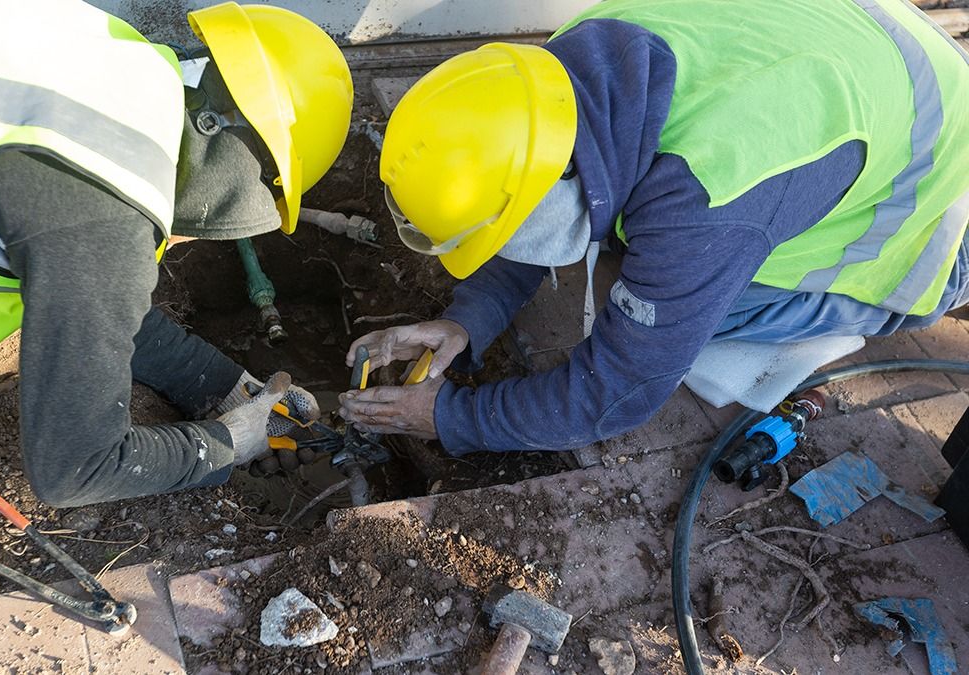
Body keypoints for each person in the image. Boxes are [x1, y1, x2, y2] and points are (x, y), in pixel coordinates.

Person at [0, 0, 354, 506]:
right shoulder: (103, 214)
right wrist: (228, 444)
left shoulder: (111, 58)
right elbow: (76, 469)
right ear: (242, 183)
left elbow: (93, 297)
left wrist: (223, 384)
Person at [339, 0, 969, 454]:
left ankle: (943, 285)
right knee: (655, 280)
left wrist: (451, 419)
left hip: (935, 180)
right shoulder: (569, 65)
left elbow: (616, 395)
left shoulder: (709, 195)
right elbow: (530, 189)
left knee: (701, 317)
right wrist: (467, 320)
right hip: (865, 45)